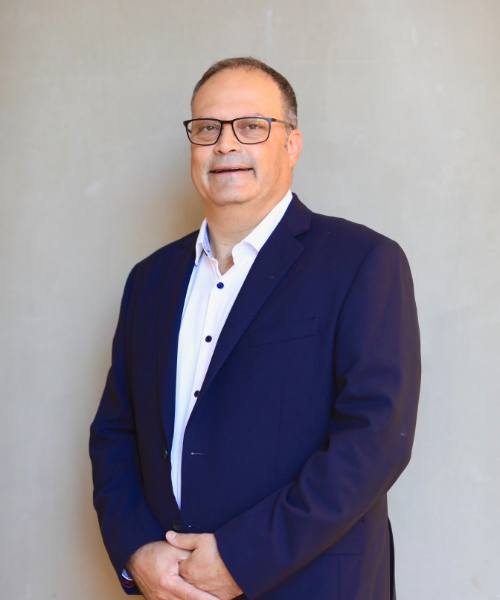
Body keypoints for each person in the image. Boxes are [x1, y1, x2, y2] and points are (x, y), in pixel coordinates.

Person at [89, 56, 421, 600]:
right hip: (171, 591)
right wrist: (138, 552)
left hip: (312, 585)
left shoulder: (363, 261)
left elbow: (376, 440)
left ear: (291, 144)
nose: (225, 145)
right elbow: (115, 433)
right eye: (207, 129)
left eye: (251, 126)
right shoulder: (149, 281)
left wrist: (241, 559)